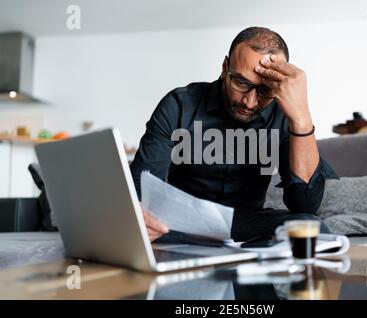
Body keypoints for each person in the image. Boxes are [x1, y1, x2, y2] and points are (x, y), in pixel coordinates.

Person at [130, 27, 338, 242]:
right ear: (224, 67)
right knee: (138, 228)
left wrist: (301, 118)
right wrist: (144, 220)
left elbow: (305, 205)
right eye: (240, 82)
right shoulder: (179, 105)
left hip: (245, 223)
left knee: (313, 230)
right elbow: (142, 184)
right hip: (181, 224)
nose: (249, 102)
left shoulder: (285, 115)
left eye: (265, 90)